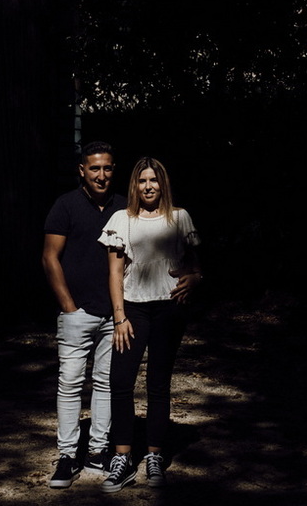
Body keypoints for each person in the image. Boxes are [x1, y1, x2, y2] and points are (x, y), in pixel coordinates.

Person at [98, 156, 203, 492]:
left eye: (153, 180)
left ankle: (155, 455)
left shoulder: (180, 218)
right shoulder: (121, 220)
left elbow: (195, 266)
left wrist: (196, 278)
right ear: (135, 185)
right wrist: (119, 317)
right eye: (142, 181)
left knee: (159, 383)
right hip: (132, 309)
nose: (148, 186)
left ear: (163, 183)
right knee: (120, 381)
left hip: (169, 308)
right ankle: (122, 458)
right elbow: (115, 273)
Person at [42, 140, 127, 488]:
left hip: (114, 314)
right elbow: (49, 257)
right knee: (70, 384)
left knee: (106, 383)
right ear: (82, 170)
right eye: (94, 168)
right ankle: (67, 456)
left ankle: (97, 451)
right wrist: (68, 306)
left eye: (107, 168)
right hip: (77, 314)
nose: (101, 175)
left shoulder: (124, 207)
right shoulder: (65, 205)